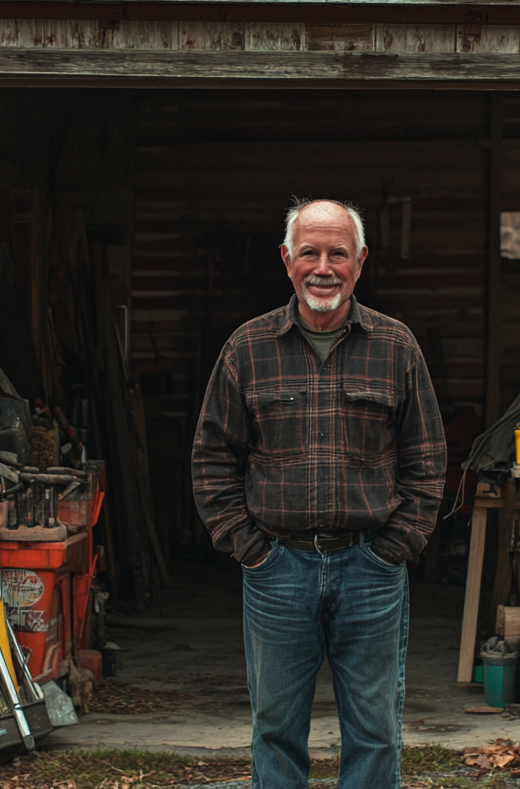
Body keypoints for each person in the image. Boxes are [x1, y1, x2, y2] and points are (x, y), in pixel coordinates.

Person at [192, 198, 447, 789]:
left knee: (376, 730)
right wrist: (249, 548)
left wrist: (396, 547)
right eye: (310, 252)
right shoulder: (247, 348)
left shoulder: (396, 347)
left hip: (371, 567)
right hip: (277, 567)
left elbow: (428, 457)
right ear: (287, 260)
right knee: (276, 729)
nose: (323, 267)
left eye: (338, 253)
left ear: (360, 261)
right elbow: (211, 457)